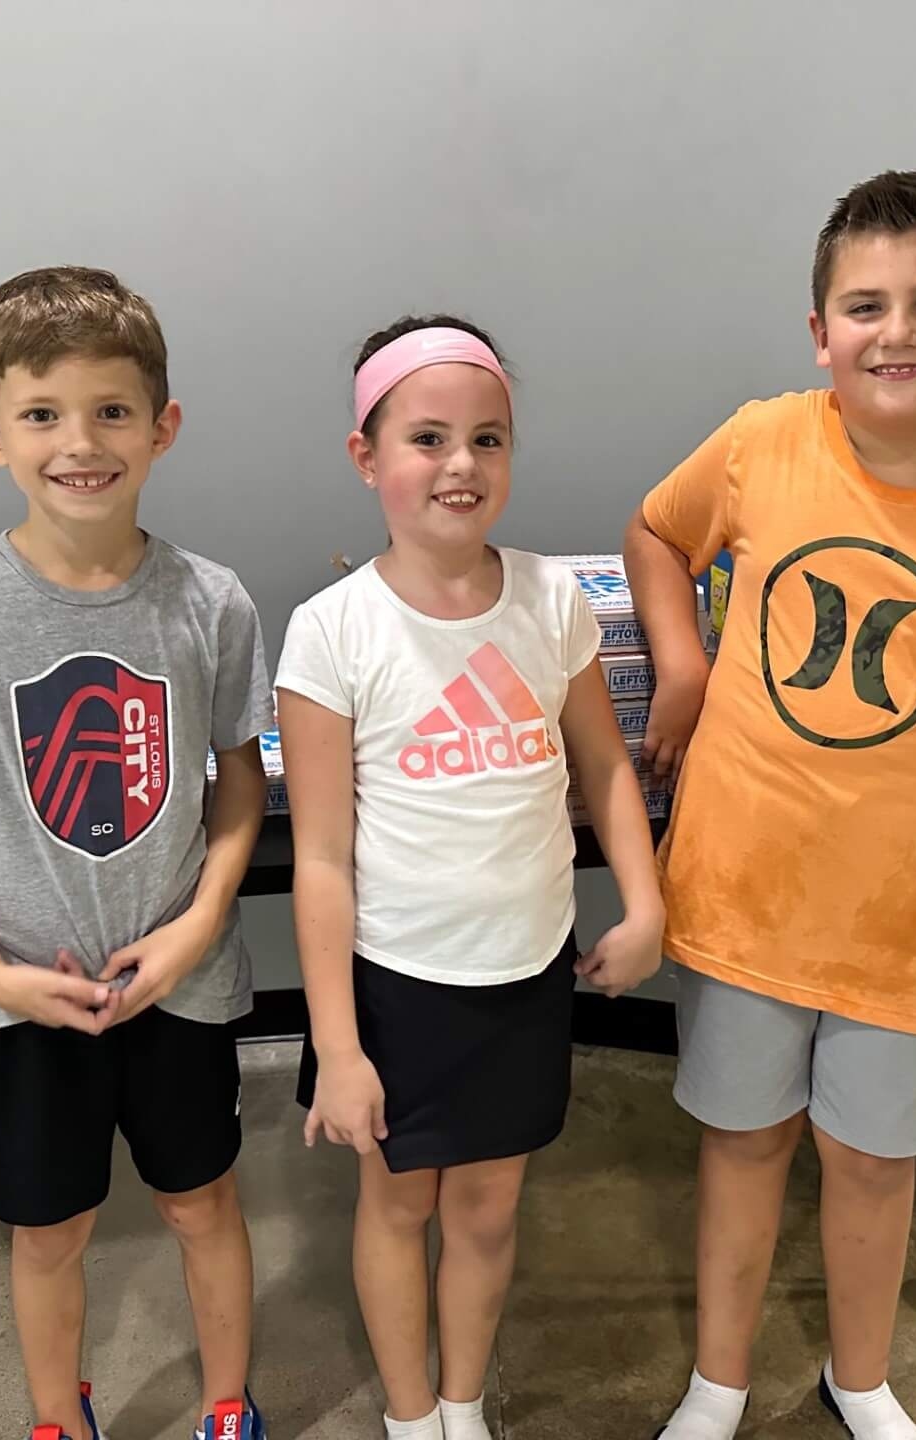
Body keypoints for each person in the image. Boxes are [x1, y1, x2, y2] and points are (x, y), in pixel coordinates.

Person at [626, 169, 916, 1439]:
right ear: (821, 329)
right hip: (738, 905)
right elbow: (658, 536)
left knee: (875, 1163)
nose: (897, 332)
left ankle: (861, 1375)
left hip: (902, 940)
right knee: (739, 1147)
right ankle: (718, 1380)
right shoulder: (764, 441)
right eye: (866, 305)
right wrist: (683, 665)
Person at [0, 267, 272, 1440]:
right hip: (26, 993)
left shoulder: (213, 602)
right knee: (50, 1230)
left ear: (162, 426)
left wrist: (195, 927)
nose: (80, 443)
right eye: (42, 415)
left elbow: (241, 783)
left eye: (112, 411)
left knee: (202, 1204)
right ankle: (54, 1417)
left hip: (178, 986)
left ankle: (230, 1405)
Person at [275, 316, 665, 1440]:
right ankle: (408, 1419)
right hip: (397, 988)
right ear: (368, 456)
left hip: (525, 977)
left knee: (490, 1207)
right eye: (428, 437)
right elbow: (323, 861)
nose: (460, 465)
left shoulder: (551, 601)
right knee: (398, 1207)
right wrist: (340, 1050)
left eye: (487, 439)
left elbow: (601, 765)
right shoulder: (332, 632)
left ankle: (462, 1406)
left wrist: (645, 904)